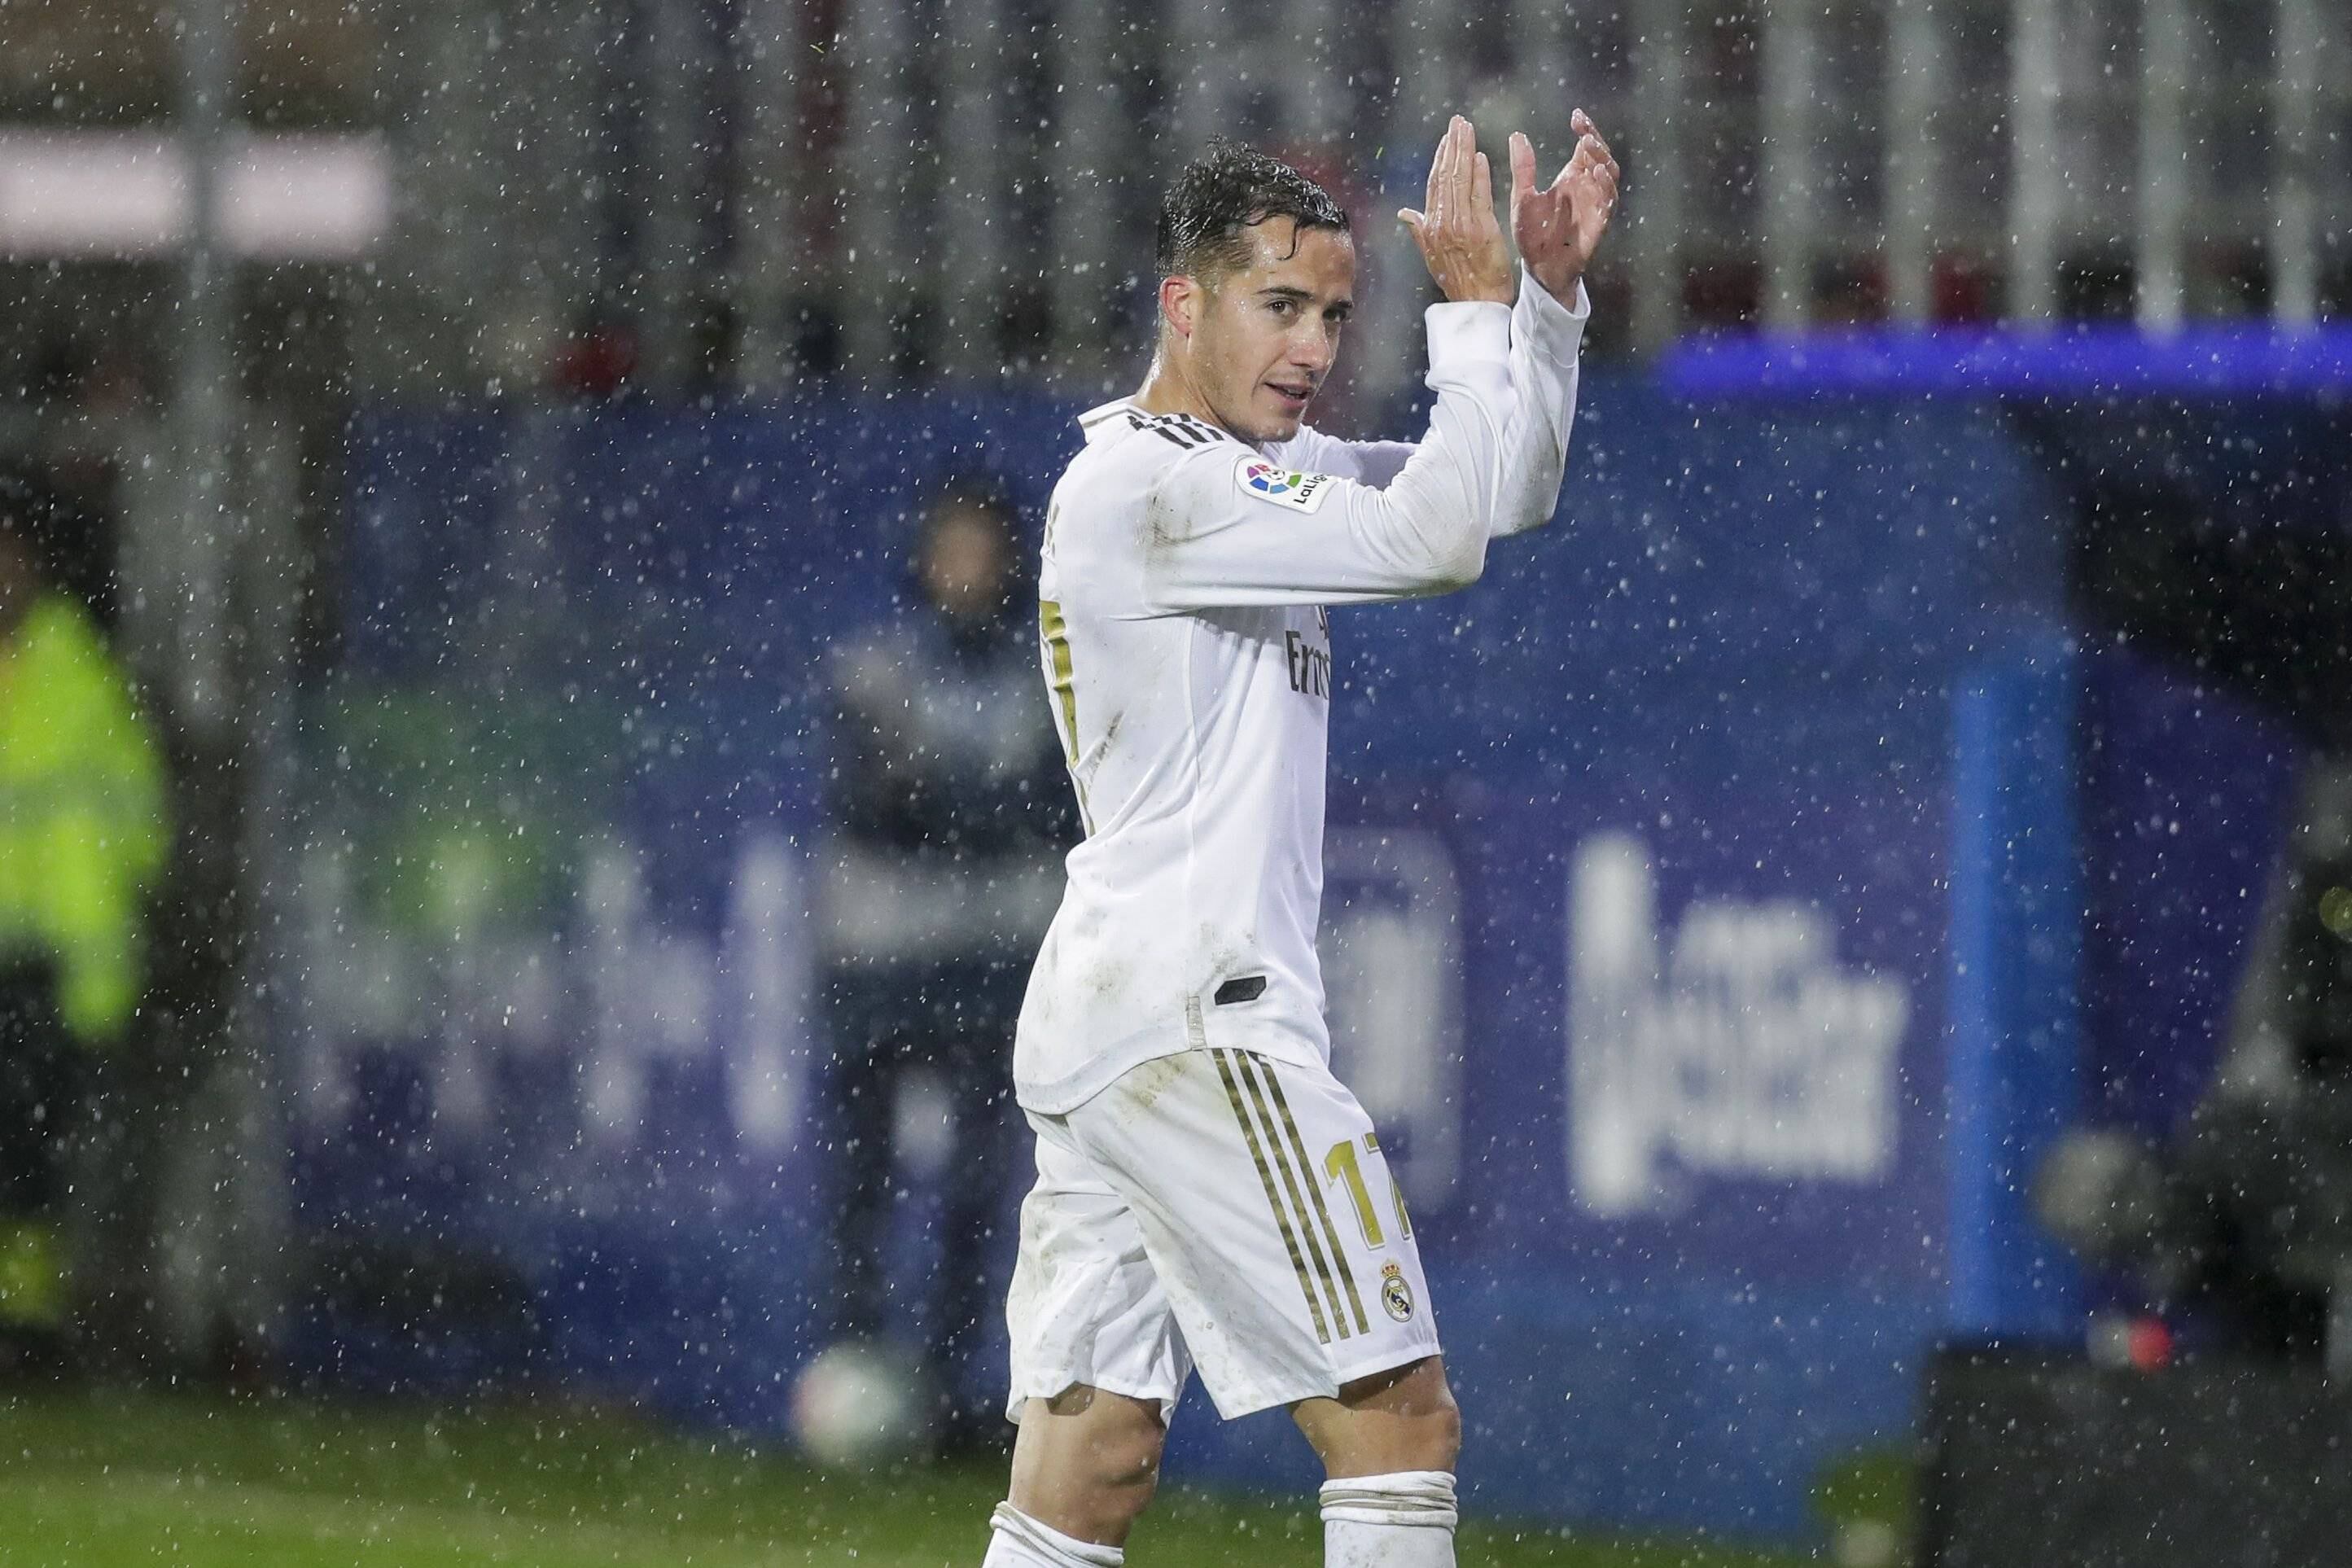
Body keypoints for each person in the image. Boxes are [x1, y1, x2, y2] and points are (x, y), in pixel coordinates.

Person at [983, 114, 1618, 1568]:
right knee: (1397, 1419)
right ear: (1182, 303)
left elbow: (1494, 492)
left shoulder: (1241, 469)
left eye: (1334, 314)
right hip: (1196, 1017)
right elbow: (1432, 543)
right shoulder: (1155, 485)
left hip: (1113, 1020)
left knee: (1087, 1460)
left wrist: (1542, 308)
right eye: (1279, 306)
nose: (1314, 346)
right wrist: (1470, 313)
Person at [817, 480, 1078, 1448]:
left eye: (981, 549)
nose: (965, 569)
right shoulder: (876, 668)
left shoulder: (1040, 673)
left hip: (994, 960)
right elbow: (877, 803)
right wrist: (984, 808)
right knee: (864, 1172)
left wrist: (951, 804)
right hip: (882, 956)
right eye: (950, 548)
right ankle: (849, 1361)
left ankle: (948, 1381)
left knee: (978, 1182)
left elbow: (1054, 800)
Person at [0, 467, 169, 1367]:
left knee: (31, 1149)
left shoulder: (79, 673)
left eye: (13, 555)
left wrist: (101, 919)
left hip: (45, 959)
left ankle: (23, 1319)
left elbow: (139, 817)